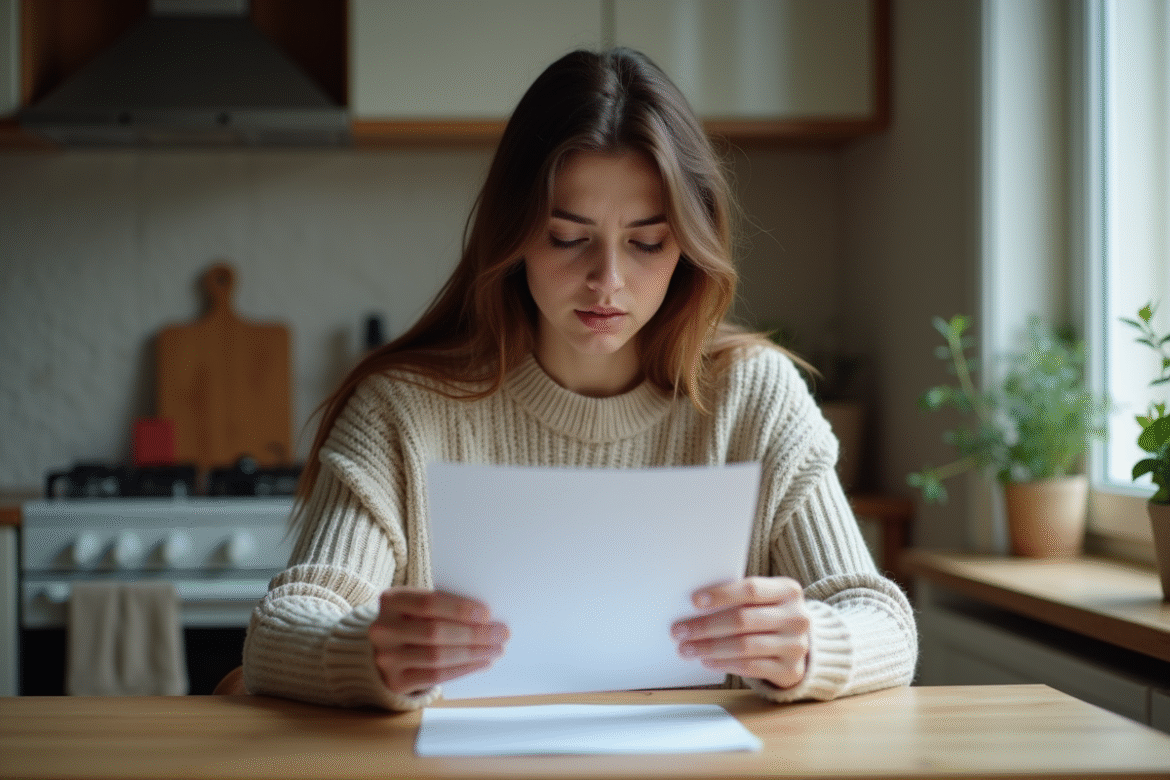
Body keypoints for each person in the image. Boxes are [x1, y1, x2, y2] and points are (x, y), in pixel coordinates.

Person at [242, 47, 917, 710]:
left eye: (647, 242)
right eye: (567, 237)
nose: (607, 281)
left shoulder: (754, 395)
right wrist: (367, 652)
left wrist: (810, 645)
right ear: (512, 236)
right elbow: (277, 633)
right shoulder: (401, 410)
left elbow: (884, 623)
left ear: (688, 244)